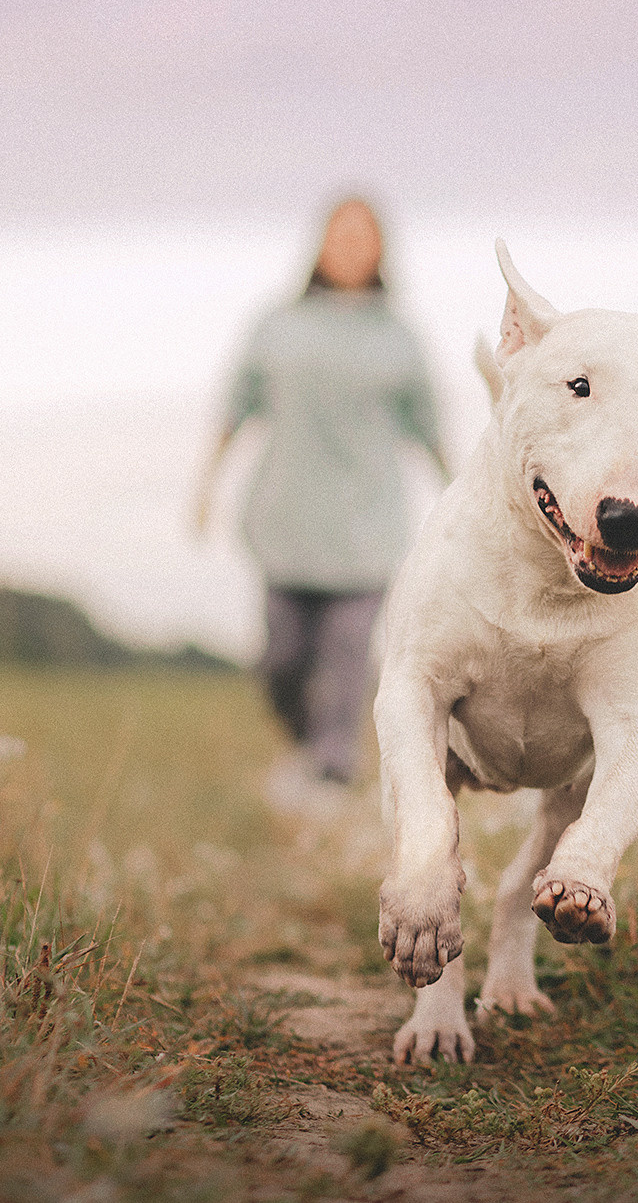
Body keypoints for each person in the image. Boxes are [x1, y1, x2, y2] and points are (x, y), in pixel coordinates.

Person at [192, 197, 448, 789]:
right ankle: (309, 748)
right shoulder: (277, 325)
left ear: (381, 251)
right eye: (342, 234)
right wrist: (205, 487)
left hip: (367, 528)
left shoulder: (400, 337)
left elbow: (431, 429)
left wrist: (460, 505)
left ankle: (334, 768)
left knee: (347, 656)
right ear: (321, 244)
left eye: (365, 237)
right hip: (287, 519)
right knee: (281, 663)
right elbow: (235, 406)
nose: (353, 247)